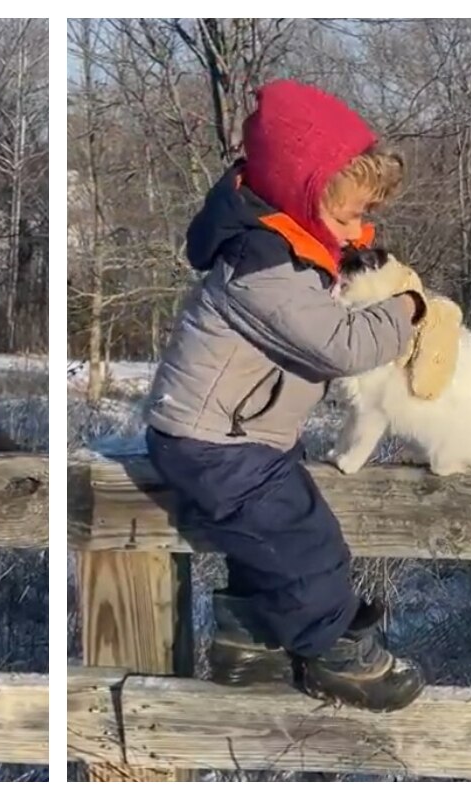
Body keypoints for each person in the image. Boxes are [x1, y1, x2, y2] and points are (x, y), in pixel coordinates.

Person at [143, 79, 431, 712]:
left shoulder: (286, 244)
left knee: (270, 537)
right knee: (306, 543)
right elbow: (340, 345)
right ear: (300, 196)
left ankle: (248, 643)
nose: (359, 230)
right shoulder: (263, 266)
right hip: (212, 443)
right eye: (348, 214)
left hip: (237, 435)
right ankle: (335, 655)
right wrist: (407, 309)